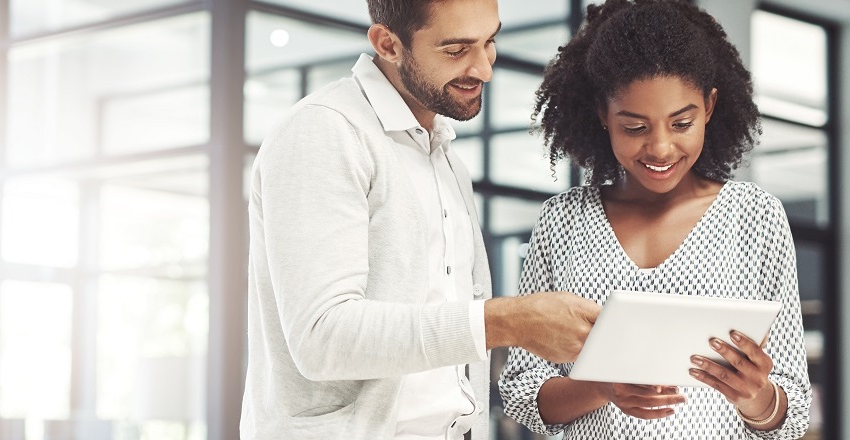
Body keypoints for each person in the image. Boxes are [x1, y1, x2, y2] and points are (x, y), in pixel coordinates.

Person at [241, 0, 603, 439]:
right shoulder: (324, 133)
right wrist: (506, 321)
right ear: (387, 43)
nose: (484, 69)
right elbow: (322, 338)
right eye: (456, 50)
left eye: (490, 42)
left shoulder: (446, 161)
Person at [498, 0, 811, 438]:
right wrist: (603, 387)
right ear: (602, 115)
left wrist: (756, 397)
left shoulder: (755, 217)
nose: (661, 149)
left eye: (681, 123)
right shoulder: (562, 221)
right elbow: (520, 392)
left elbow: (792, 411)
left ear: (710, 106)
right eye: (635, 127)